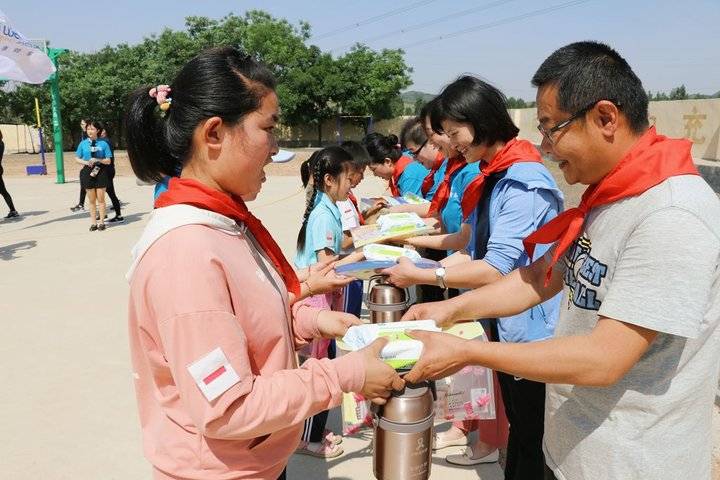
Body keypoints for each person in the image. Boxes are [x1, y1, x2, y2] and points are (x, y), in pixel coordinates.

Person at [401, 41, 720, 480]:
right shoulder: (609, 197)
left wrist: (468, 350)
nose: (547, 147)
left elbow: (605, 358)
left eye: (553, 128)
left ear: (606, 117)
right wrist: (448, 309)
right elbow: (537, 276)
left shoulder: (670, 215)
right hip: (574, 449)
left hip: (630, 463)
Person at [124, 46, 403, 480]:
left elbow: (246, 325)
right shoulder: (187, 253)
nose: (276, 147)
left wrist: (313, 324)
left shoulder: (225, 223)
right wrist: (345, 374)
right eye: (269, 128)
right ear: (214, 133)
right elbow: (228, 407)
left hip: (256, 460)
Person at [384, 75, 564, 478]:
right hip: (501, 317)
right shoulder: (493, 172)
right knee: (520, 425)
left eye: (454, 132)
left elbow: (497, 264)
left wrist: (434, 286)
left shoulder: (522, 181)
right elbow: (470, 237)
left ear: (481, 120)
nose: (452, 142)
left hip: (528, 330)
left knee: (533, 433)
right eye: (445, 134)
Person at [362, 132, 430, 197]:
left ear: (387, 162)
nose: (375, 174)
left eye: (374, 169)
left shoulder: (409, 176)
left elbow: (413, 207)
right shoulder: (399, 167)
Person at [75, 120, 112, 231]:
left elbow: (108, 160)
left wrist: (98, 159)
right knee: (91, 200)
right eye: (88, 129)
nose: (89, 131)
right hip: (88, 172)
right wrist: (86, 162)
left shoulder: (104, 143)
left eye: (92, 129)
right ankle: (93, 223)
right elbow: (77, 158)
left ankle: (101, 222)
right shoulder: (83, 144)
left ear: (98, 130)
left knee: (101, 199)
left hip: (101, 171)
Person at [98, 125, 124, 222]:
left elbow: (105, 158)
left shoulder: (105, 141)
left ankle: (119, 216)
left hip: (107, 170)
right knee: (101, 192)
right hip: (106, 170)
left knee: (110, 192)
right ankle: (104, 213)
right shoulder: (103, 141)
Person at [70, 119, 89, 212]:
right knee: (83, 185)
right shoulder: (83, 134)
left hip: (92, 165)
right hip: (86, 165)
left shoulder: (89, 134)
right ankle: (81, 204)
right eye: (81, 124)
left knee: (103, 187)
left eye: (83, 124)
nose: (82, 125)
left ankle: (115, 201)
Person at [0, 130, 19, 219]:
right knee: (3, 191)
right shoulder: (1, 143)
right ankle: (13, 210)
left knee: (3, 191)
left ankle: (13, 211)